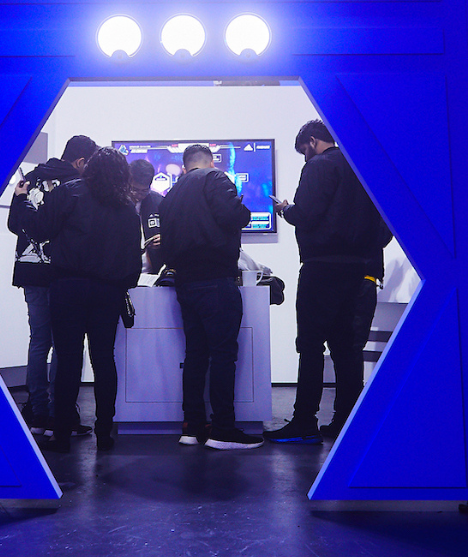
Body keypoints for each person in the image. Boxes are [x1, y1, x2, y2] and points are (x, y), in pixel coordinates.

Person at [8, 146, 142, 453]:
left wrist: (24, 202)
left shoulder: (70, 192)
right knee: (104, 360)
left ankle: (62, 433)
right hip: (108, 292)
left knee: (68, 360)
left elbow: (40, 229)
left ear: (90, 167)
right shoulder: (126, 207)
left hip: (68, 287)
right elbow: (133, 262)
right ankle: (105, 432)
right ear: (124, 174)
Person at [266, 120, 392, 444]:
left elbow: (306, 214)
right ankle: (346, 423)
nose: (305, 158)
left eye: (303, 152)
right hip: (361, 270)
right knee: (347, 349)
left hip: (321, 269)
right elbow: (386, 224)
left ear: (311, 141)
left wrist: (285, 210)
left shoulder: (319, 166)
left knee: (309, 345)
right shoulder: (363, 168)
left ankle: (304, 422)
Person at [158, 143, 263, 450]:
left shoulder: (171, 195)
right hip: (216, 279)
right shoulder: (214, 179)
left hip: (185, 282)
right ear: (211, 161)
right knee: (222, 355)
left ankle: (191, 427)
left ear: (185, 163)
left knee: (195, 355)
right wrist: (242, 207)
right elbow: (235, 216)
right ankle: (222, 430)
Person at [6, 134, 98, 437]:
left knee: (39, 340)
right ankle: (63, 412)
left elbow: (12, 225)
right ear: (81, 161)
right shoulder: (76, 187)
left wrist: (22, 201)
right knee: (66, 344)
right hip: (62, 271)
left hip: (30, 270)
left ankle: (37, 409)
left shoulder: (31, 179)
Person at [129, 159, 164, 274]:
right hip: (123, 272)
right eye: (134, 189)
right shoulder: (116, 203)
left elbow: (174, 232)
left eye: (144, 191)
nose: (138, 195)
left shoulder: (159, 202)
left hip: (153, 273)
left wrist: (164, 238)